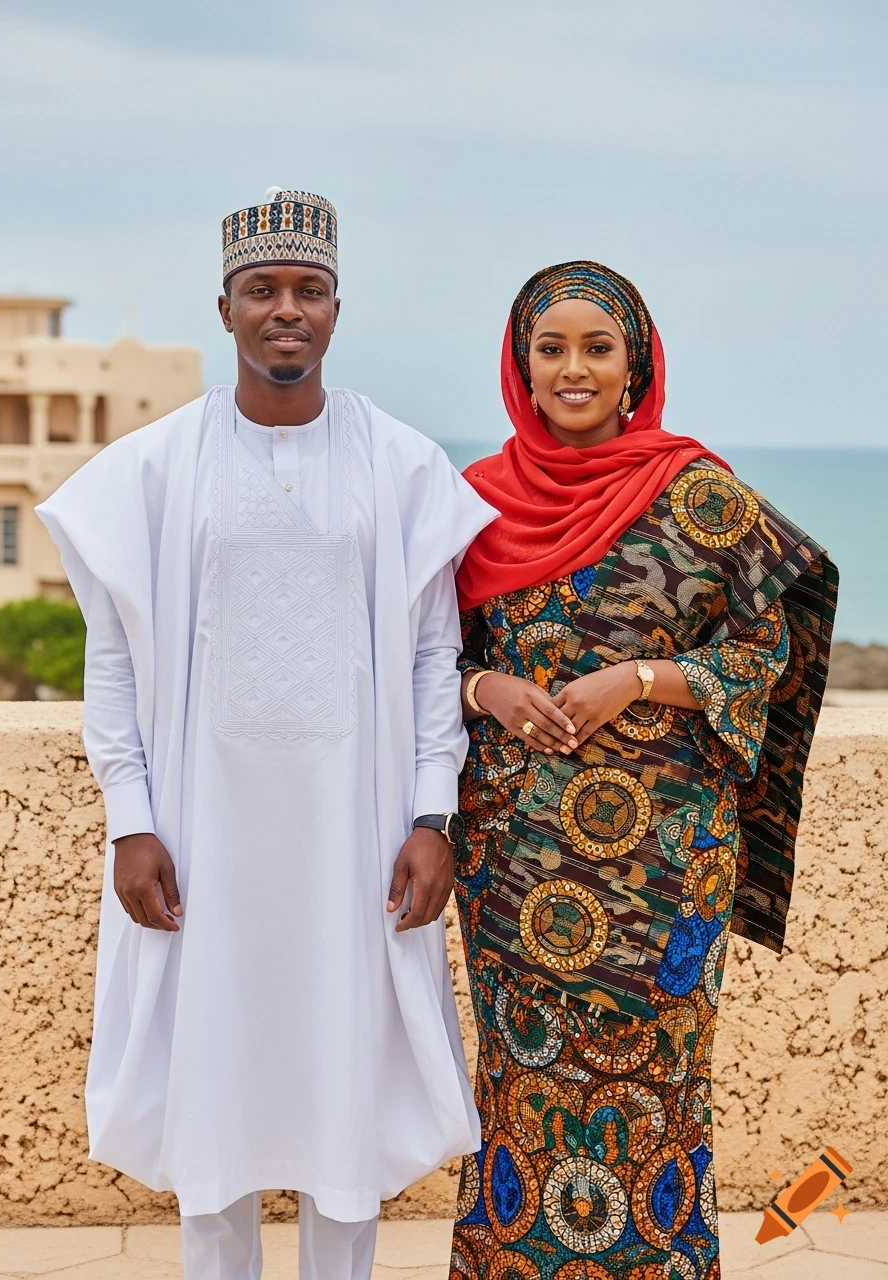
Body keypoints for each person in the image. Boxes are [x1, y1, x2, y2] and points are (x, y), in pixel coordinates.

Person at [36, 187, 496, 1280]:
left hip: (358, 842)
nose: (284, 309)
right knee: (215, 1119)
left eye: (307, 289)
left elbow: (436, 655)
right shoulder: (154, 469)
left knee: (343, 1123)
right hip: (204, 846)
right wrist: (131, 820)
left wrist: (433, 808)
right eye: (262, 290)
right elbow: (113, 661)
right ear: (225, 307)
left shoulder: (401, 463)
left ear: (337, 308)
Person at [449, 261, 837, 1279]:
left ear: (635, 366)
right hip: (512, 862)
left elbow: (769, 649)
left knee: (657, 1094)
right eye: (550, 348)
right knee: (520, 1085)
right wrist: (485, 687)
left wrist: (640, 677)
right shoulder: (471, 505)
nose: (572, 368)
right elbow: (415, 658)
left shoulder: (697, 494)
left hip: (665, 868)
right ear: (520, 366)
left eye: (596, 347)